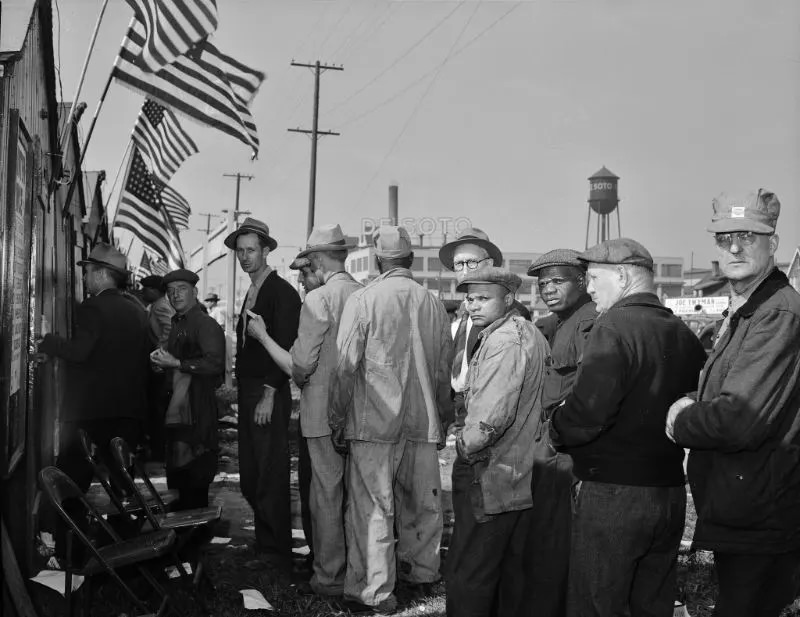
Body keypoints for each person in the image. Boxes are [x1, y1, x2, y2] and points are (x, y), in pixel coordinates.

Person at [547, 238, 707, 617]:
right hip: (667, 495)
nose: (588, 287)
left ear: (621, 276)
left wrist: (555, 426)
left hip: (614, 492)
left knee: (596, 604)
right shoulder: (680, 330)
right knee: (652, 604)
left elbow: (587, 414)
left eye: (593, 278)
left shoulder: (613, 326)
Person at [666, 190, 800, 617]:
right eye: (725, 238)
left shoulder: (776, 313)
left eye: (749, 236)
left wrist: (681, 419)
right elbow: (732, 389)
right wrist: (693, 400)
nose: (736, 247)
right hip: (744, 502)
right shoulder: (749, 307)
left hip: (761, 509)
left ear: (773, 244)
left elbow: (739, 419)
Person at [330, 226, 453, 612]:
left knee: (372, 509)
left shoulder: (365, 300)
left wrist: (337, 418)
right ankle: (423, 577)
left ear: (379, 259)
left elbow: (345, 368)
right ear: (411, 259)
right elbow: (443, 372)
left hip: (374, 423)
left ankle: (375, 592)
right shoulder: (434, 304)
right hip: (423, 421)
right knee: (422, 506)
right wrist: (443, 420)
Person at [251, 224, 362, 596]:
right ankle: (358, 572)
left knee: (326, 497)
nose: (301, 279)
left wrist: (264, 337)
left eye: (303, 270)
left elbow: (299, 367)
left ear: (316, 261)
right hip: (361, 414)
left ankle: (329, 577)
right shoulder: (365, 295)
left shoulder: (319, 300)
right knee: (358, 497)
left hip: (322, 414)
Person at [444, 267, 548, 617]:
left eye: (483, 298)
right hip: (512, 471)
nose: (473, 305)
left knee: (471, 570)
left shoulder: (505, 340)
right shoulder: (519, 331)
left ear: (509, 298)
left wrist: (463, 445)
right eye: (469, 298)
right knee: (502, 571)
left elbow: (491, 419)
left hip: (490, 471)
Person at [37, 244, 150, 557]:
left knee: (69, 485)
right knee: (123, 485)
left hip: (90, 413)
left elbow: (80, 352)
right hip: (127, 412)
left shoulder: (92, 308)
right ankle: (128, 550)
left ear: (102, 274)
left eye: (87, 271)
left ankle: (69, 553)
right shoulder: (137, 309)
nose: (85, 277)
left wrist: (47, 342)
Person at [225, 217, 301, 570]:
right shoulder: (254, 289)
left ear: (267, 250)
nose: (244, 257)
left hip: (269, 390)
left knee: (269, 472)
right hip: (251, 390)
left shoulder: (281, 292)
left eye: (251, 250)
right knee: (252, 472)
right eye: (240, 252)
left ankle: (276, 551)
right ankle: (264, 542)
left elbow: (284, 346)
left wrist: (270, 393)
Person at [523, 249, 596, 617]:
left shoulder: (589, 323)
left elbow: (587, 394)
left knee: (557, 540)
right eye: (542, 283)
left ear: (582, 281)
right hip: (551, 445)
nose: (547, 289)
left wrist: (555, 434)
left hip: (565, 451)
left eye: (557, 281)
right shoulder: (559, 322)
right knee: (547, 538)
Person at [438, 227, 530, 430]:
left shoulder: (509, 311)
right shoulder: (465, 310)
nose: (464, 270)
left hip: (489, 411)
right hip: (463, 405)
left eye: (471, 262)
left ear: (489, 264)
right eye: (458, 264)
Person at [150, 269, 225, 510]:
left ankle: (195, 541)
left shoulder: (204, 323)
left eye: (181, 289)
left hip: (197, 413)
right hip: (179, 414)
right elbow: (175, 364)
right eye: (170, 291)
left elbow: (215, 364)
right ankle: (186, 539)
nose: (175, 295)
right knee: (181, 483)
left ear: (194, 292)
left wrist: (176, 363)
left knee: (194, 483)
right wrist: (163, 366)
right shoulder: (177, 322)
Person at [140, 274, 174, 460]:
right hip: (161, 364)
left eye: (146, 288)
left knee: (157, 408)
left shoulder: (160, 305)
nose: (143, 291)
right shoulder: (158, 304)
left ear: (154, 290)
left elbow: (169, 329)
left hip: (160, 366)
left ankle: (159, 450)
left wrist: (159, 355)